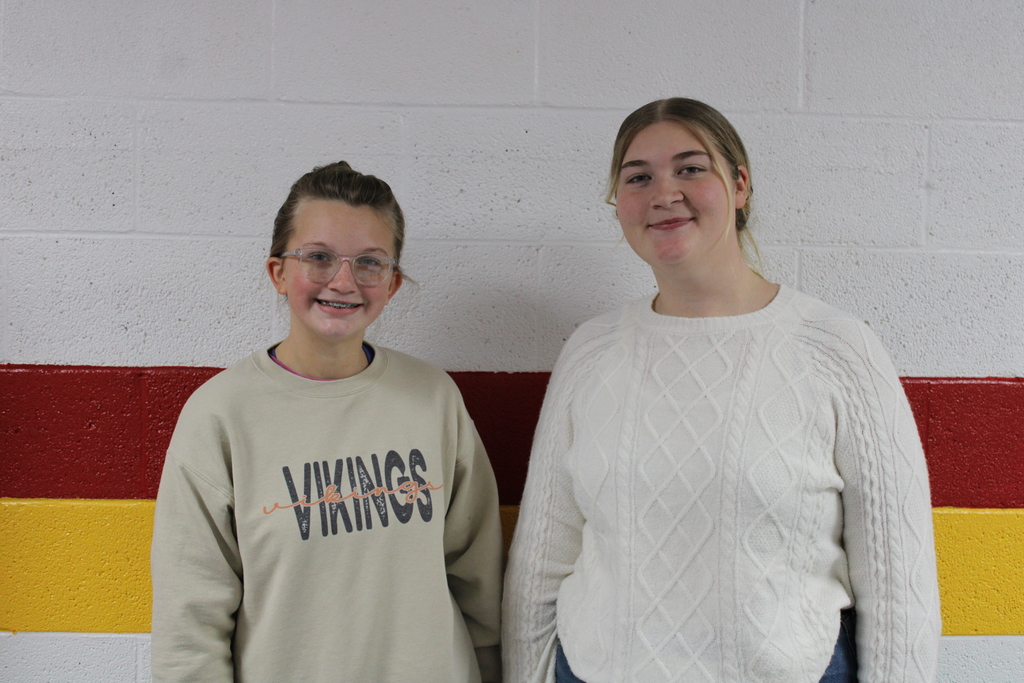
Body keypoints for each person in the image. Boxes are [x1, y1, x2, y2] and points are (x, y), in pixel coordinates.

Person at [503, 99, 941, 683]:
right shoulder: (592, 351)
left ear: (740, 185)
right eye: (639, 177)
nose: (664, 193)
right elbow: (541, 565)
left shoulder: (837, 350)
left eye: (690, 168)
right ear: (619, 204)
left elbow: (897, 578)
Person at [151, 161, 503, 682]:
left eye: (369, 262)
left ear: (393, 283)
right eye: (318, 257)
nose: (343, 281)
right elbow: (189, 626)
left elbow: (478, 582)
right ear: (279, 272)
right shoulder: (220, 415)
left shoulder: (433, 398)